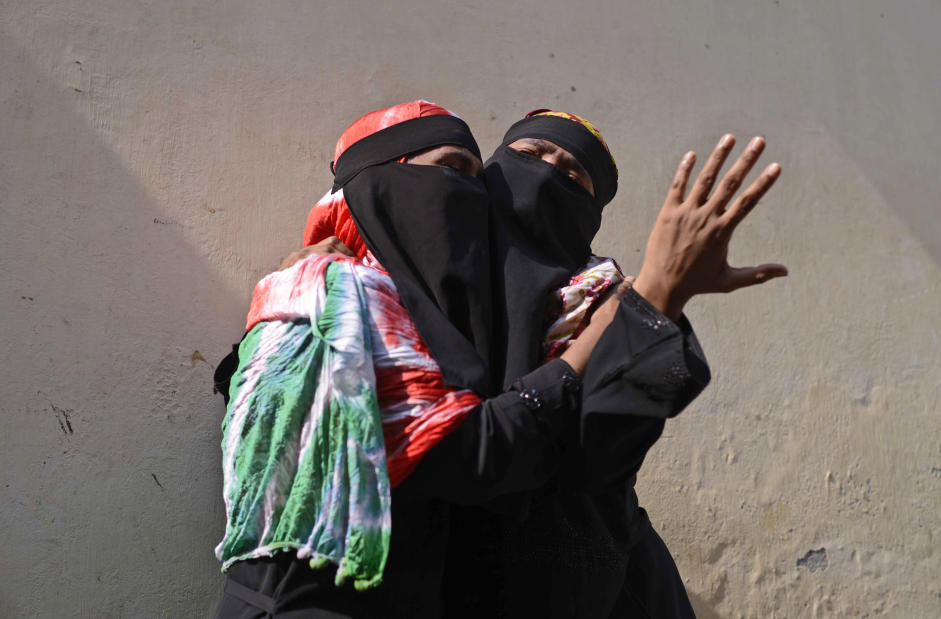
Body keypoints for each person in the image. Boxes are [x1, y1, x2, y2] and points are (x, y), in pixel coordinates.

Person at [213, 101, 632, 618]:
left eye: (478, 180)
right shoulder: (333, 294)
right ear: (381, 181)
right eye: (451, 170)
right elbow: (472, 455)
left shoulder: (460, 312)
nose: (468, 197)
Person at [438, 112, 784, 618]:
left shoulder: (606, 297)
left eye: (574, 174)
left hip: (582, 569)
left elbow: (608, 450)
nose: (550, 170)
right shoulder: (434, 269)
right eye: (532, 153)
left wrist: (662, 297)